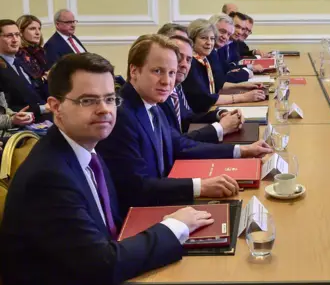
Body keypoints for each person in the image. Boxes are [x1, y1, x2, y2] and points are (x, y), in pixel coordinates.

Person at [0, 52, 216, 285]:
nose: (105, 109)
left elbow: (112, 226)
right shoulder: (47, 176)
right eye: (88, 100)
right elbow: (103, 266)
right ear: (55, 107)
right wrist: (175, 225)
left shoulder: (87, 148)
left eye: (110, 99)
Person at [97, 34, 272, 214]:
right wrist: (199, 187)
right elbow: (137, 187)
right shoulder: (121, 116)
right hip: (143, 214)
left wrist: (242, 151)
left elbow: (180, 145)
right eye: (157, 71)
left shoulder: (151, 104)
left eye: (171, 72)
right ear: (134, 71)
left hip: (164, 198)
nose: (167, 81)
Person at [159, 34, 244, 143]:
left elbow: (187, 118)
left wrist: (219, 114)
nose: (184, 64)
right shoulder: (160, 92)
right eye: (179, 57)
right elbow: (175, 144)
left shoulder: (176, 87)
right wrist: (221, 128)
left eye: (189, 59)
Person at [181, 19, 265, 113]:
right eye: (204, 38)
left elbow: (216, 87)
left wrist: (243, 86)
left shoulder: (203, 59)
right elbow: (205, 99)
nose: (209, 43)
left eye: (212, 38)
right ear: (192, 40)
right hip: (199, 118)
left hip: (208, 111)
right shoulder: (191, 63)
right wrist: (243, 97)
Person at [0, 19, 49, 119]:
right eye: (9, 36)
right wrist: (42, 108)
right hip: (22, 125)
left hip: (44, 116)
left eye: (17, 35)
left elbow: (34, 89)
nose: (15, 40)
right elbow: (7, 109)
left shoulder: (20, 60)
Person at [15, 14, 48, 80]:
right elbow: (33, 81)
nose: (38, 32)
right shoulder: (20, 53)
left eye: (39, 29)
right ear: (20, 32)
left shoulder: (40, 50)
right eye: (32, 29)